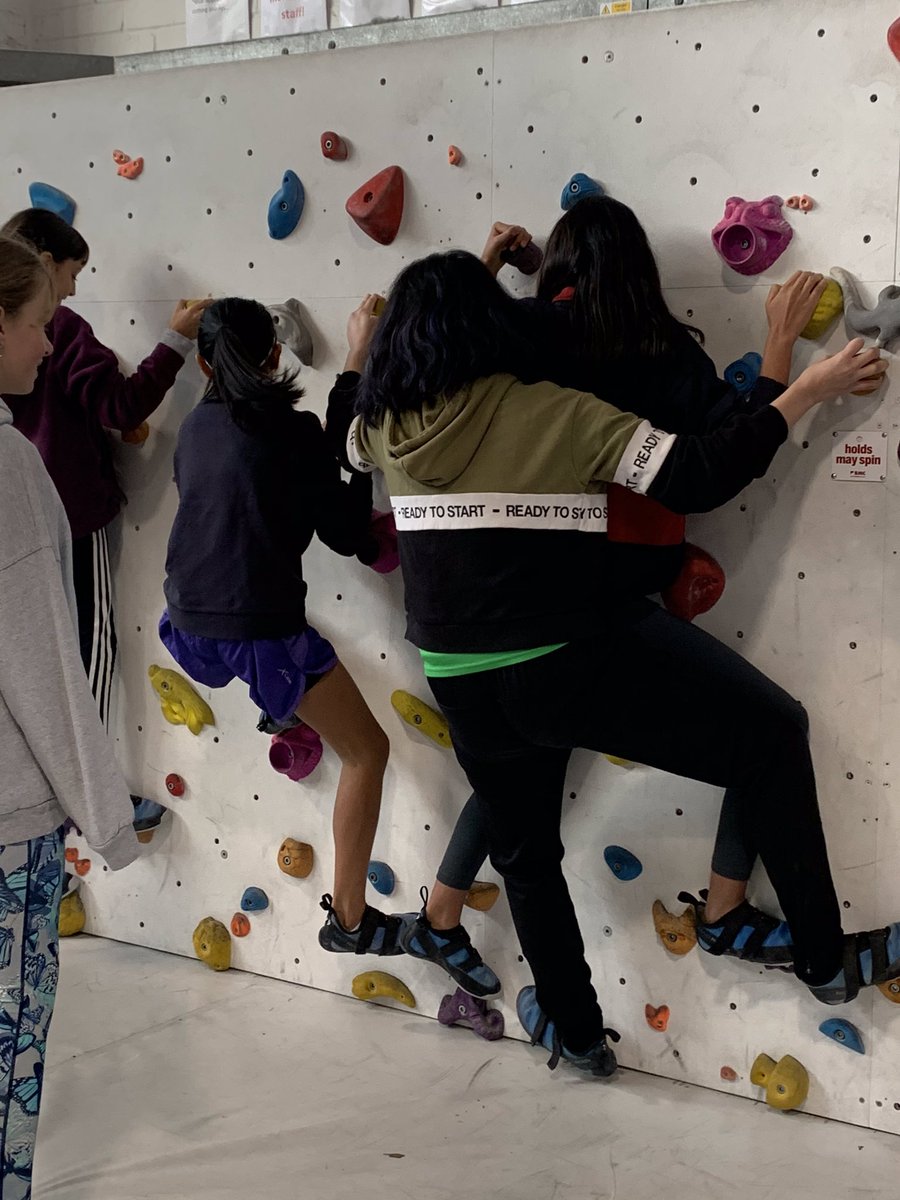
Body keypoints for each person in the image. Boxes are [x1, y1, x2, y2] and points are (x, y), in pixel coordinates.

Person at [331, 248, 889, 1079]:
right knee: (772, 735)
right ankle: (821, 959)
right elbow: (699, 474)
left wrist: (354, 354)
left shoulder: (381, 429)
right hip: (566, 661)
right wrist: (802, 389)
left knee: (527, 862)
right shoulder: (558, 412)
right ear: (498, 324)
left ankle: (579, 1036)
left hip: (459, 682)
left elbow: (340, 431)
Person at [413, 198, 833, 978]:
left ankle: (440, 914)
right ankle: (738, 916)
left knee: (516, 777)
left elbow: (451, 336)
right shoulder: (657, 348)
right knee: (767, 734)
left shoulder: (527, 338)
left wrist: (491, 265)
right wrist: (780, 345)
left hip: (519, 600)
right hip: (615, 601)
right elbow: (728, 445)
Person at [159, 296, 415, 959]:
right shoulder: (291, 432)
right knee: (367, 752)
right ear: (275, 356)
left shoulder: (195, 427)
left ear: (204, 364)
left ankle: (281, 707)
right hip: (256, 631)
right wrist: (355, 360)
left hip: (185, 621)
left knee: (270, 645)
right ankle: (350, 921)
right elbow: (347, 531)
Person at [0, 234, 141, 1196]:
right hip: (8, 824)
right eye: (37, 322)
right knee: (8, 1053)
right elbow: (42, 657)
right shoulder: (6, 464)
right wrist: (106, 816)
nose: (50, 345)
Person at [0, 208, 209, 729]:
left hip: (22, 517)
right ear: (46, 262)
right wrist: (175, 341)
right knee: (89, 645)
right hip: (73, 512)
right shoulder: (64, 329)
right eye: (72, 273)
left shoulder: (47, 335)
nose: (72, 290)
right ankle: (91, 776)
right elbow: (120, 406)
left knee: (40, 656)